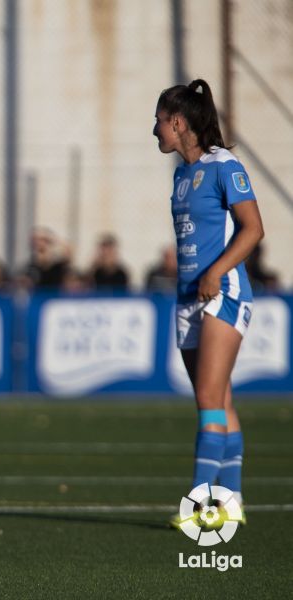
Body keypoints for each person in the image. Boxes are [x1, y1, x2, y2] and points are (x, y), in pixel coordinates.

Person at [154, 79, 264, 526]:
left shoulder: (225, 165)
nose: (155, 131)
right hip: (187, 298)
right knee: (218, 399)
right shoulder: (183, 173)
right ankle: (232, 501)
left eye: (159, 122)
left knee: (207, 399)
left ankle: (201, 506)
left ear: (178, 123)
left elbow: (253, 228)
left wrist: (217, 272)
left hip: (223, 293)